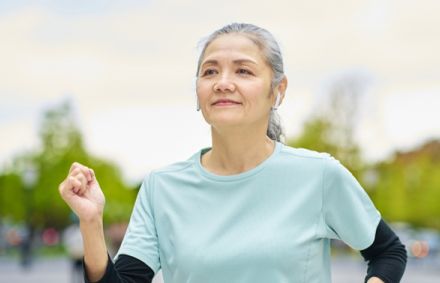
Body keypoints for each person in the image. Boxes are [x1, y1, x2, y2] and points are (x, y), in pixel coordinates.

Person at [58, 23, 407, 283]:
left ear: (277, 90)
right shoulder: (160, 188)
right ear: (198, 92)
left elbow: (388, 253)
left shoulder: (318, 175)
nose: (223, 82)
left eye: (243, 70)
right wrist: (90, 223)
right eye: (210, 71)